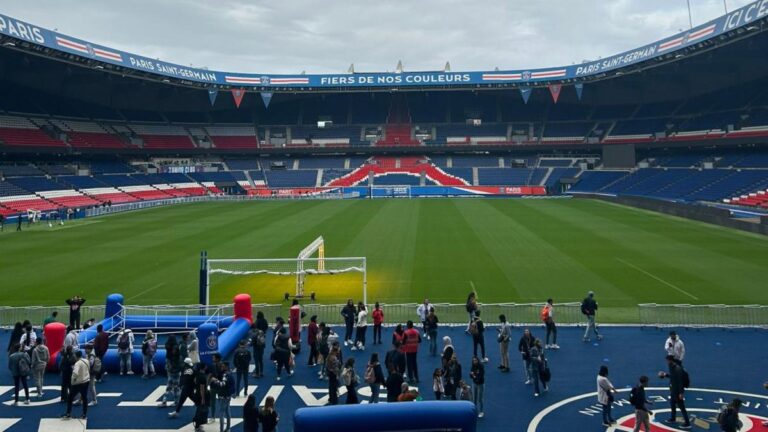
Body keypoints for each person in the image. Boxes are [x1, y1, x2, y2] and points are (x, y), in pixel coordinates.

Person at [659, 354, 691, 429]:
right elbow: (673, 377)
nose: (666, 362)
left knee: (681, 407)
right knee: (672, 404)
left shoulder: (677, 369)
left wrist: (681, 393)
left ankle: (687, 423)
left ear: (670, 360)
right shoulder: (671, 367)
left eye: (667, 360)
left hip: (677, 391)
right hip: (673, 390)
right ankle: (673, 418)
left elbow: (680, 382)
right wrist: (665, 375)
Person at [62, 350, 90, 420]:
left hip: (78, 383)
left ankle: (68, 413)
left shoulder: (77, 363)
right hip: (86, 381)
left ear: (75, 356)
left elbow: (75, 373)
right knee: (84, 398)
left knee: (70, 398)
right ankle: (84, 415)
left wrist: (72, 381)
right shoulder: (86, 361)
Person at [213, 362, 235, 432]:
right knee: (228, 411)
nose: (221, 367)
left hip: (223, 396)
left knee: (221, 413)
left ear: (226, 367)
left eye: (223, 366)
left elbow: (222, 384)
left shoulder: (225, 375)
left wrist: (215, 381)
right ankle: (228, 428)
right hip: (228, 395)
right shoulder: (230, 374)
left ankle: (221, 430)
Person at [159, 343, 182, 408]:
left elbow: (170, 366)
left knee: (171, 388)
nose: (172, 351)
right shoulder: (179, 357)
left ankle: (166, 401)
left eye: (173, 350)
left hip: (173, 374)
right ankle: (175, 402)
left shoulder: (173, 358)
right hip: (176, 374)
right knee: (175, 388)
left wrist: (169, 369)